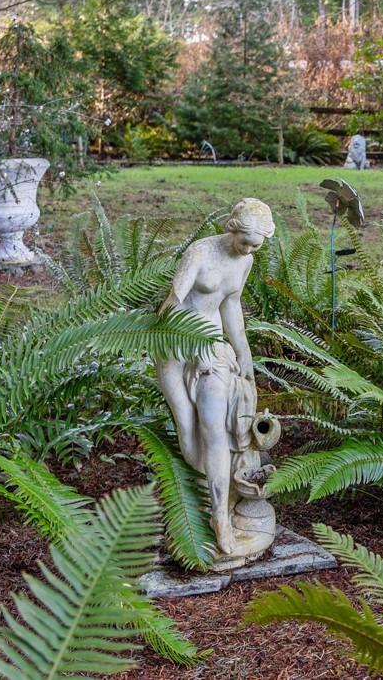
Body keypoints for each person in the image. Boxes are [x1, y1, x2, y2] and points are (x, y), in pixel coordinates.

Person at [154, 198, 276, 566]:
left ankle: (220, 518)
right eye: (245, 242)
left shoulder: (245, 261)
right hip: (176, 346)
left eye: (256, 246)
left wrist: (244, 352)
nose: (249, 250)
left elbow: (231, 305)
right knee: (189, 436)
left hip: (213, 352)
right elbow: (172, 304)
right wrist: (190, 344)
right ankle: (200, 506)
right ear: (232, 229)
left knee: (215, 430)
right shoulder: (201, 253)